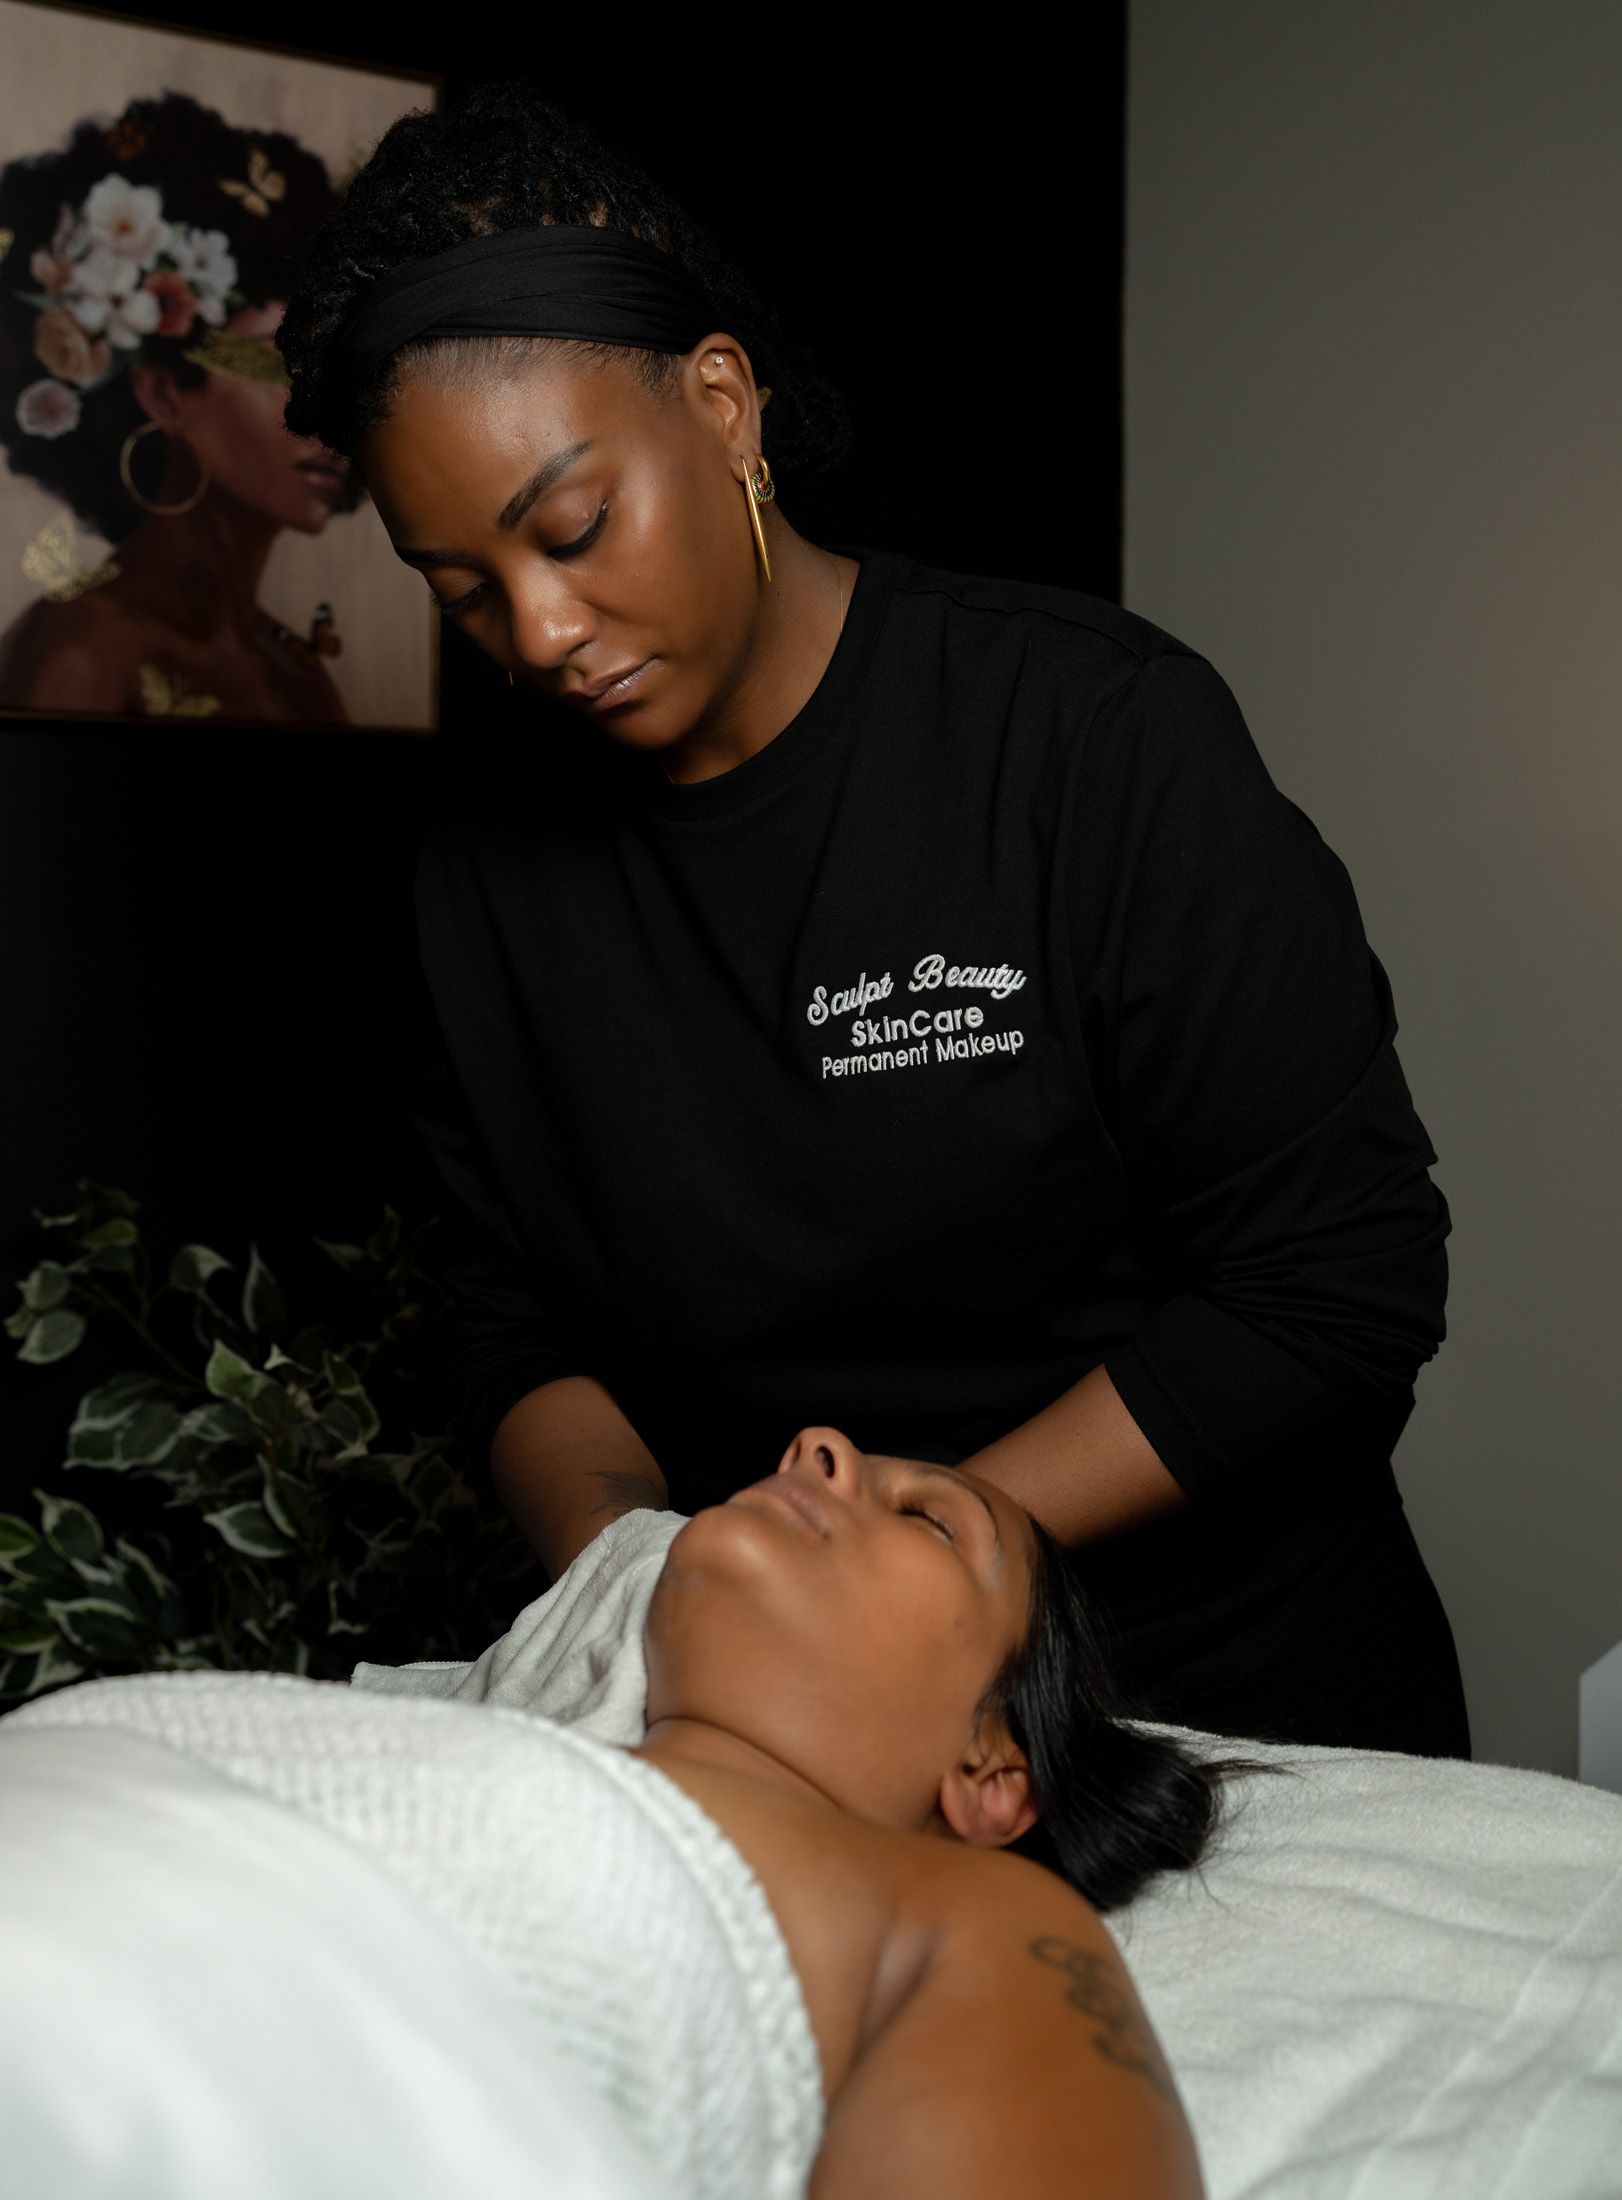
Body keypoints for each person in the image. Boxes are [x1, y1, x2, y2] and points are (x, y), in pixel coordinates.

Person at [275, 79, 1471, 1760]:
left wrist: (896, 1575)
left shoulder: (1089, 736)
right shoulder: (489, 870)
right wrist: (643, 1579)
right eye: (458, 585)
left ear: (721, 403)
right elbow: (510, 1317)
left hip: (1221, 1708)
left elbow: (1328, 1286)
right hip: (811, 1731)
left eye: (571, 528)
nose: (535, 631)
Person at [5, 1431, 1282, 2195]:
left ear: (990, 1766)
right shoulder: (470, 1758)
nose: (814, 1448)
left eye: (927, 1520)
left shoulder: (977, 1913)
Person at [0, 91, 361, 722]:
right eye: (279, 368)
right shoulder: (84, 653)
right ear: (163, 391)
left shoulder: (295, 675)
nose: (326, 415)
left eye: (343, 378)